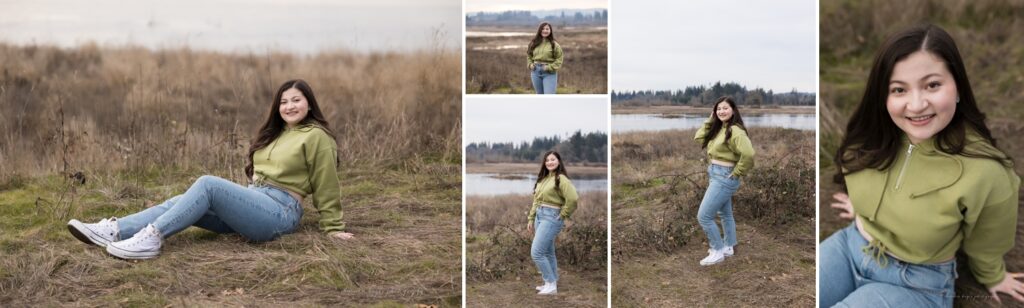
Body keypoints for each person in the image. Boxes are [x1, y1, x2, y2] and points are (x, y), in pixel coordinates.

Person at [821, 24, 1023, 307]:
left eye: (932, 85)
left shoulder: (987, 171)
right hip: (851, 245)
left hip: (917, 282)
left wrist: (993, 276)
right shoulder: (873, 135)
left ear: (958, 88)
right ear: (884, 96)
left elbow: (988, 237)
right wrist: (862, 208)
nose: (916, 105)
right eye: (899, 89)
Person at [67, 79, 354, 260]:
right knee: (180, 202)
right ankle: (115, 231)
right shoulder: (276, 134)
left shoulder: (316, 136)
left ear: (309, 103)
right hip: (256, 203)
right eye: (283, 101)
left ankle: (151, 239)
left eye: (296, 100)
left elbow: (326, 181)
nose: (289, 106)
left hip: (280, 212)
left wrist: (333, 228)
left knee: (207, 184)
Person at [693, 96, 755, 266]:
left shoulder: (736, 130)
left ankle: (717, 250)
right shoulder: (720, 128)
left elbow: (749, 154)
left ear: (733, 110)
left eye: (725, 108)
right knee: (724, 213)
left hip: (725, 176)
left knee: (704, 216)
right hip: (715, 173)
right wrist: (711, 119)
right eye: (718, 108)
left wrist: (737, 173)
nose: (722, 111)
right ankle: (729, 246)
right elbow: (699, 137)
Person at [526, 151, 579, 295]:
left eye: (553, 159)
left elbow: (573, 199)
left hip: (551, 217)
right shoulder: (543, 179)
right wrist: (531, 218)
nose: (550, 162)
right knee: (548, 252)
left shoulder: (561, 179)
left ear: (559, 161)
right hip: (539, 216)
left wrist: (563, 215)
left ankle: (550, 283)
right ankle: (551, 282)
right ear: (544, 163)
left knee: (536, 252)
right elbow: (536, 200)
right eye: (547, 160)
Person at [526, 22, 564, 95]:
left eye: (547, 29)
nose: (545, 30)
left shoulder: (554, 45)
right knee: (539, 96)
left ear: (550, 31)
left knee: (549, 97)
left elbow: (559, 59)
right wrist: (530, 64)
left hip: (549, 73)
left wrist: (549, 67)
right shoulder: (533, 43)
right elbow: (529, 55)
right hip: (535, 71)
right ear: (539, 30)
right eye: (543, 29)